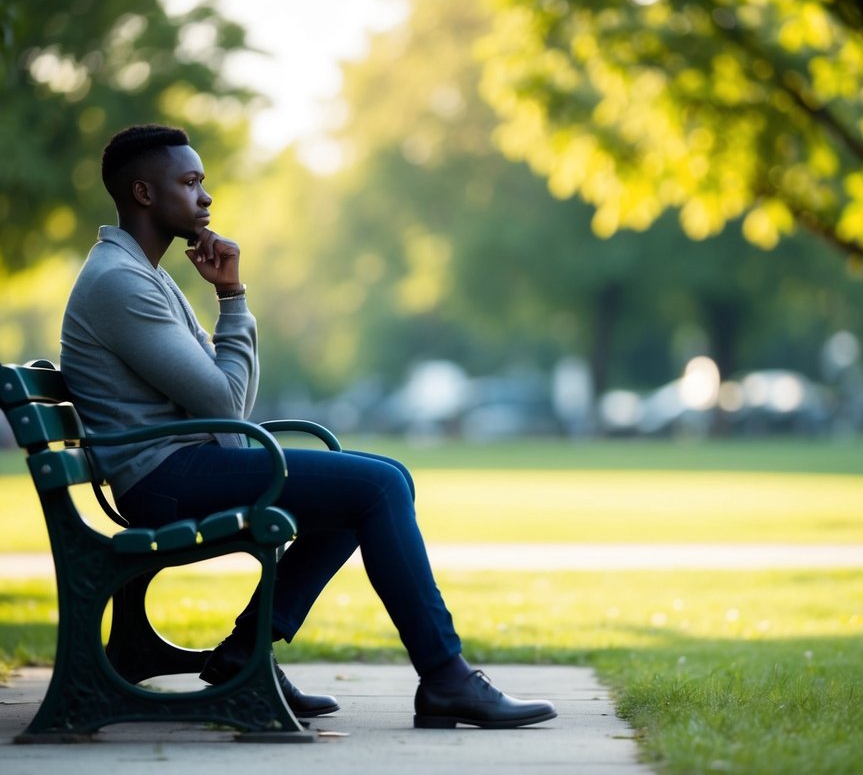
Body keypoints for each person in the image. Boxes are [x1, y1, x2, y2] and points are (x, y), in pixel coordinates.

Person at [59, 123, 557, 730]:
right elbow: (223, 399)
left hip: (178, 467)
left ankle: (246, 654)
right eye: (189, 183)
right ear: (142, 193)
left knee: (376, 482)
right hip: (162, 480)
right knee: (377, 487)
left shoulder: (147, 274)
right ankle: (447, 679)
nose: (205, 197)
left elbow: (220, 399)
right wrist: (234, 299)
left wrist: (229, 303)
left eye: (202, 183)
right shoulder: (120, 281)